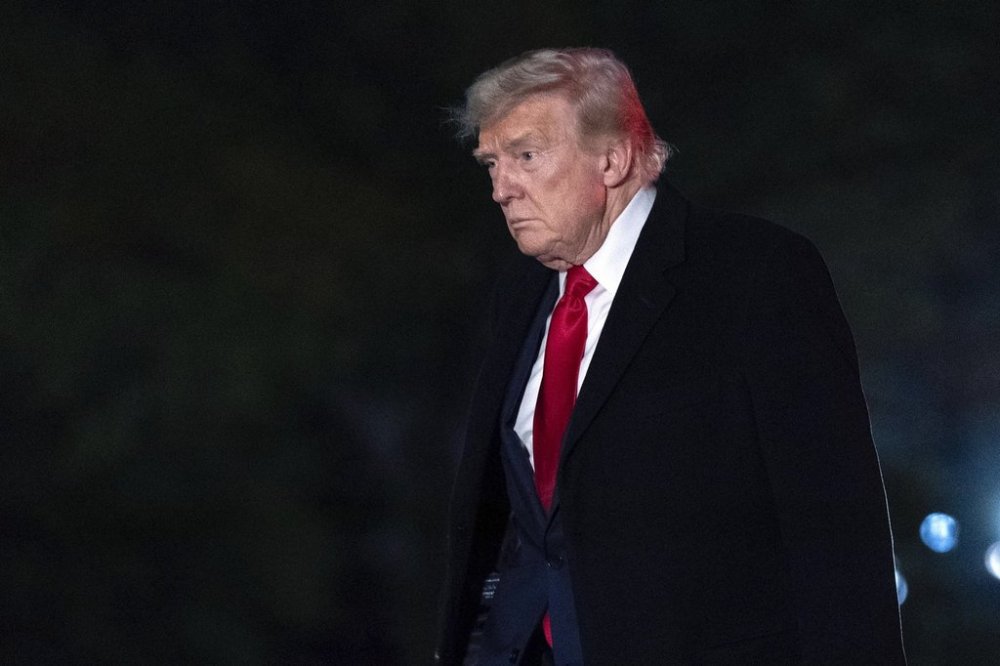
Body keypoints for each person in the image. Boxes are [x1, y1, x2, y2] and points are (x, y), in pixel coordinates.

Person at [435, 47, 906, 665]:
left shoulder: (753, 274)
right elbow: (523, 521)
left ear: (613, 157)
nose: (501, 188)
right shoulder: (519, 292)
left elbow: (835, 526)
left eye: (525, 156)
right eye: (491, 163)